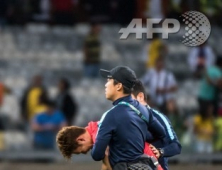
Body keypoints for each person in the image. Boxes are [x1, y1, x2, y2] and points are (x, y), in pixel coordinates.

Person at [91, 66, 167, 170]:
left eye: (109, 80)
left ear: (118, 86)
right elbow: (161, 133)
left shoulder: (110, 116)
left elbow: (97, 155)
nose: (105, 84)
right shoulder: (144, 110)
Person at [56, 122, 163, 170]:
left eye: (80, 150)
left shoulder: (99, 137)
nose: (84, 152)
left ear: (80, 140)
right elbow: (106, 164)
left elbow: (108, 163)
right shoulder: (96, 129)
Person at [131, 80, 182, 170]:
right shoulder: (125, 119)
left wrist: (160, 151)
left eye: (128, 99)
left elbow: (176, 146)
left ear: (140, 97)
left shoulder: (160, 118)